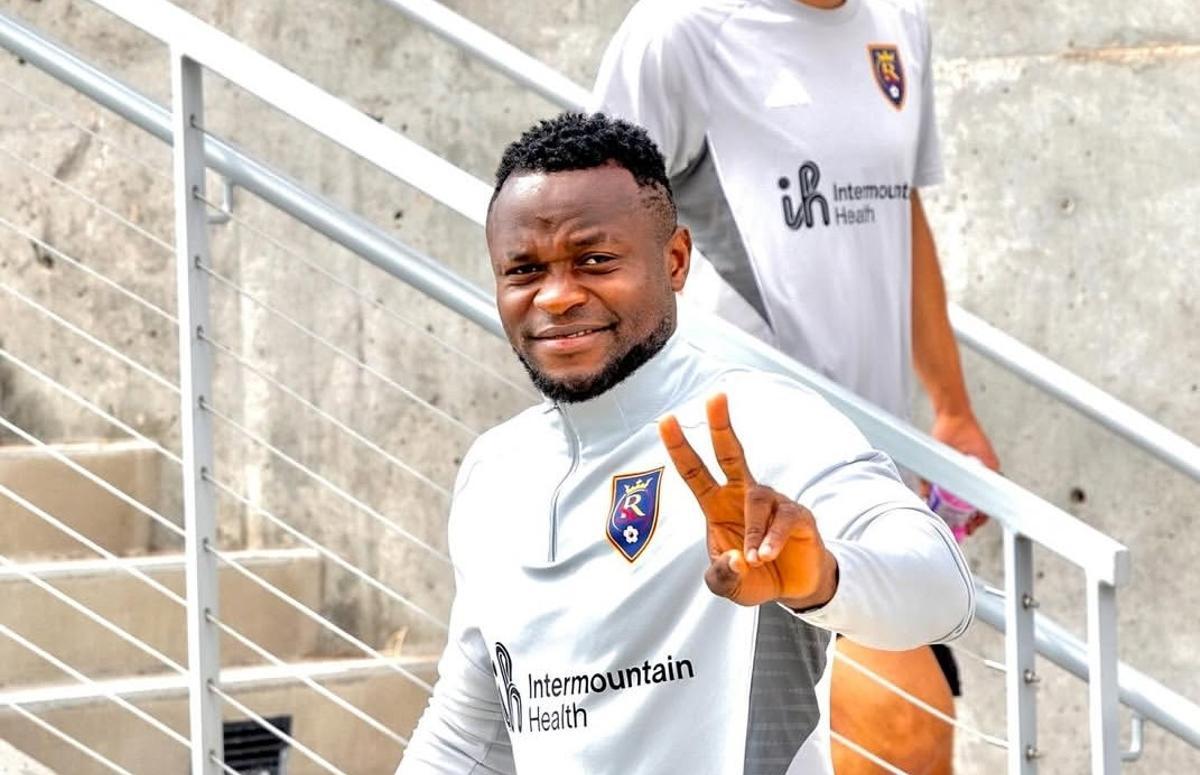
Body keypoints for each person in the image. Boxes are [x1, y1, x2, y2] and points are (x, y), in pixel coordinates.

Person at [396, 113, 972, 774]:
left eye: (594, 260)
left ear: (674, 261)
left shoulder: (759, 421)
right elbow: (469, 730)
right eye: (523, 270)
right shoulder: (494, 472)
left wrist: (823, 579)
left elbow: (941, 586)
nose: (555, 296)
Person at [590, 1, 998, 766]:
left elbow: (897, 213)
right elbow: (596, 229)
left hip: (875, 466)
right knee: (900, 717)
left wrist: (952, 407)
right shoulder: (680, 32)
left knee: (904, 729)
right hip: (740, 471)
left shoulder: (899, 26)